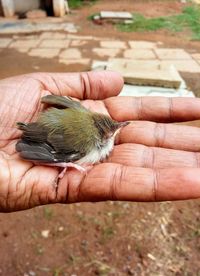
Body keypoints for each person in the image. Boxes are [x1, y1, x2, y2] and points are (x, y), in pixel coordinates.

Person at [0, 71, 200, 212]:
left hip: (56, 122)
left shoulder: (85, 113)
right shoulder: (83, 145)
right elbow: (39, 148)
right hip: (46, 132)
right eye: (112, 134)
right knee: (68, 155)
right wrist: (67, 163)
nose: (115, 134)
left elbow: (66, 104)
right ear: (103, 139)